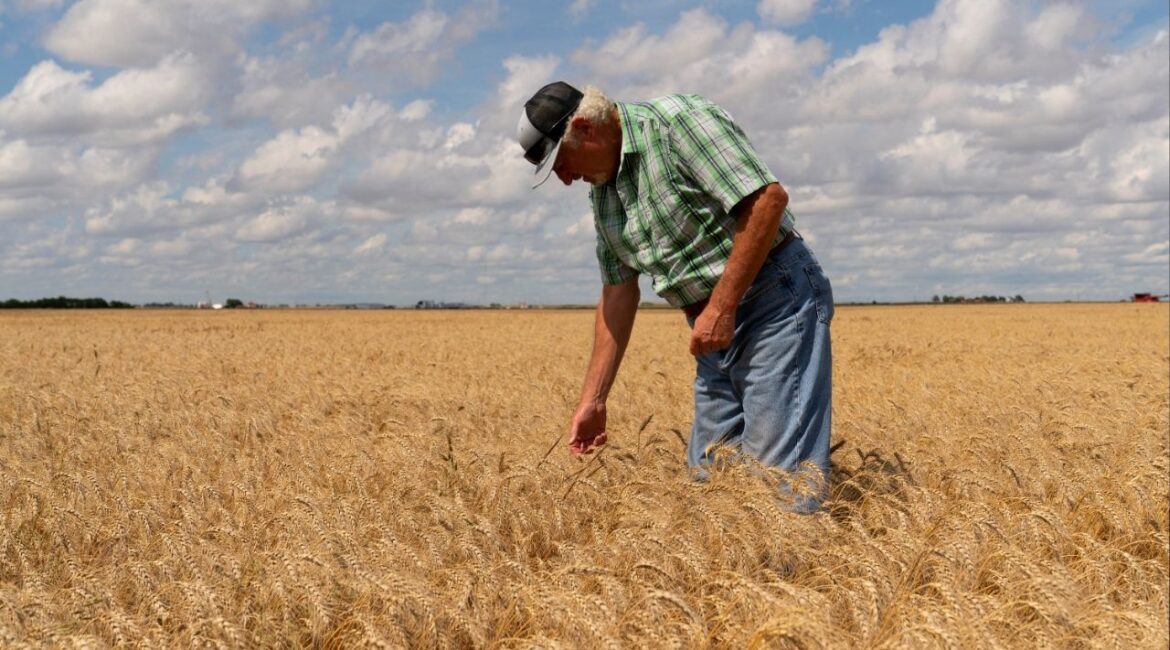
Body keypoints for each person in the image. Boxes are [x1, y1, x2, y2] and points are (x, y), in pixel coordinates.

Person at [517, 81, 834, 512]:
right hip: (709, 332)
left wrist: (721, 307)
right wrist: (593, 400)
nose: (567, 179)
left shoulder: (677, 123)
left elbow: (766, 201)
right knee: (707, 485)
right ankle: (725, 579)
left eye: (562, 163)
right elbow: (617, 292)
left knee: (777, 486)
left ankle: (785, 575)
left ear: (584, 128)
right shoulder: (605, 194)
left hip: (774, 304)